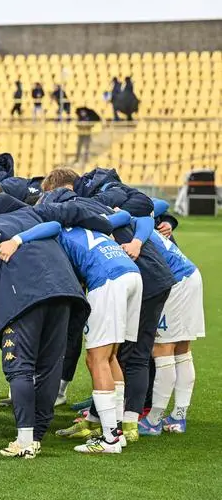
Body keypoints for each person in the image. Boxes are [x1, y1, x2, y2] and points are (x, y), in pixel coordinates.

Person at [0, 177, 143, 455]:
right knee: (112, 355)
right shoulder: (91, 225)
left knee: (97, 358)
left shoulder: (59, 229)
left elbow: (51, 226)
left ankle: (110, 438)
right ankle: (117, 431)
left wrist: (18, 239)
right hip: (130, 273)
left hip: (108, 280)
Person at [0, 184, 89, 459]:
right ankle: (36, 434)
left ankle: (25, 439)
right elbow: (56, 225)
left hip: (25, 296)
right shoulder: (33, 217)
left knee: (20, 366)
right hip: (66, 293)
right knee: (50, 366)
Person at [71, 168, 176, 442]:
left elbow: (150, 210)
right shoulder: (116, 212)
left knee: (116, 353)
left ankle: (115, 423)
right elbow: (149, 211)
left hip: (142, 280)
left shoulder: (98, 215)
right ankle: (121, 423)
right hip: (154, 278)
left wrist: (138, 242)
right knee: (125, 353)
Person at [139, 199, 204, 436]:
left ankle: (154, 420)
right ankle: (178, 416)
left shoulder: (127, 228)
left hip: (176, 283)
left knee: (162, 349)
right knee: (182, 349)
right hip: (190, 274)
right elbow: (160, 204)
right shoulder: (141, 220)